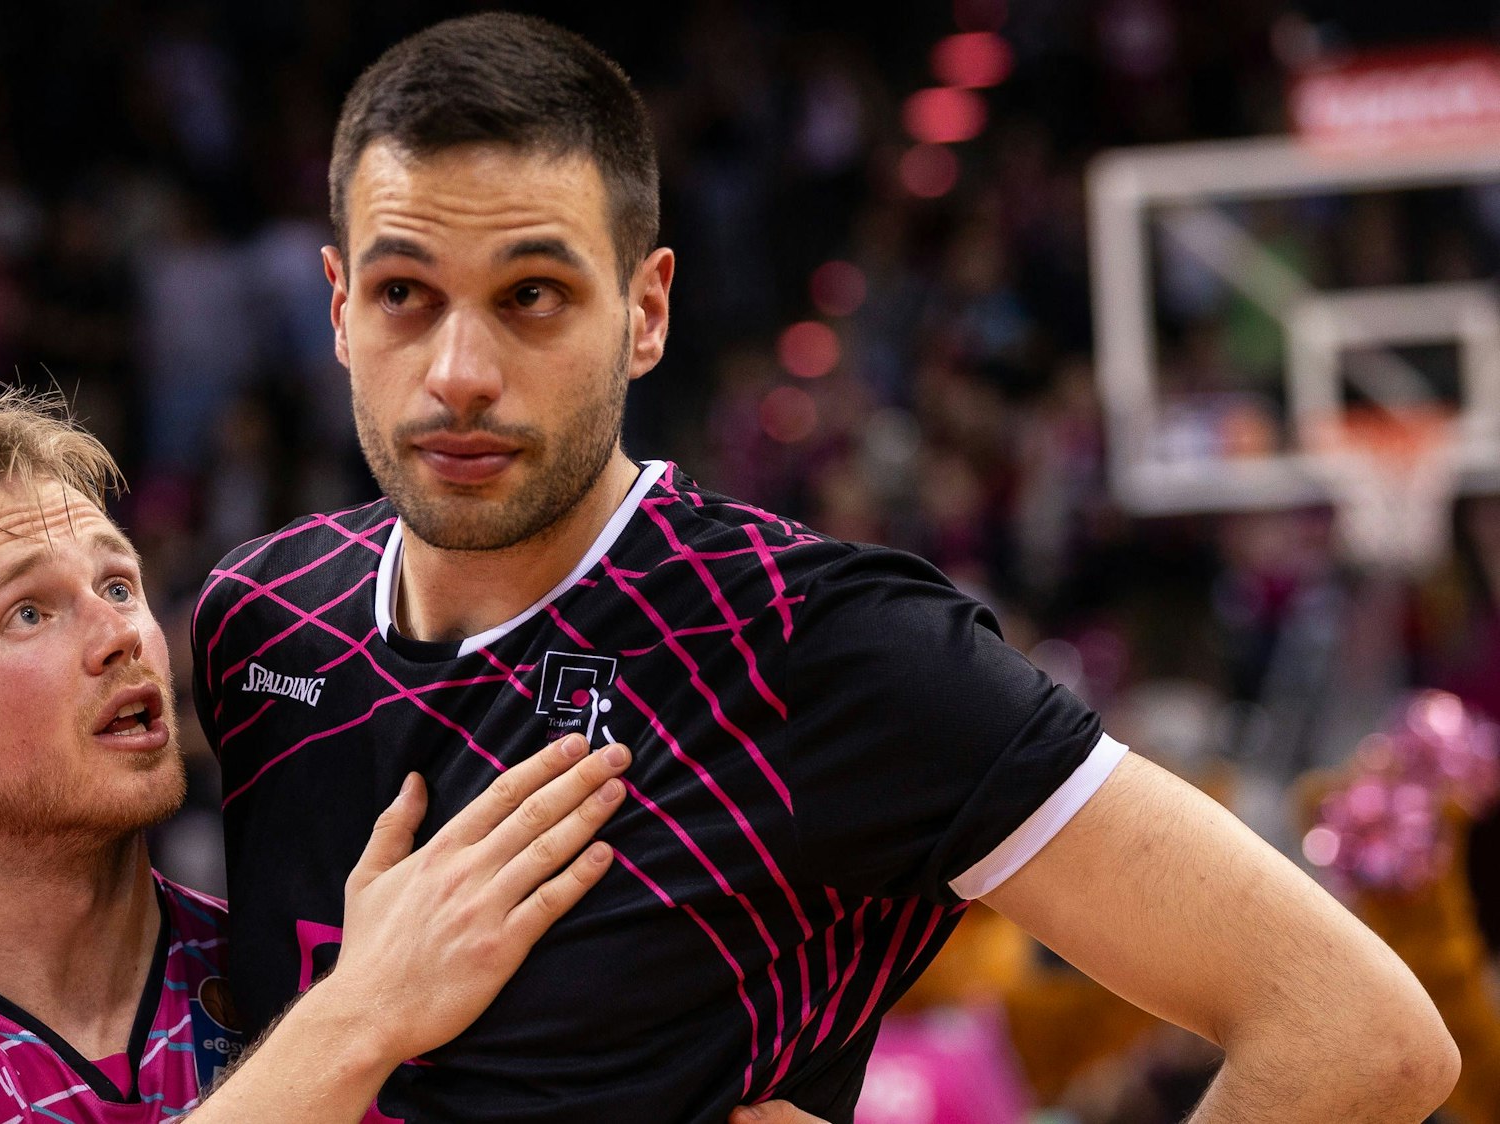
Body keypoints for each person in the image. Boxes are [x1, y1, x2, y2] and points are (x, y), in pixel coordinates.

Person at [190, 13, 1459, 1123]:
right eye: (407, 291)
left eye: (532, 294)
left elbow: (1356, 1032)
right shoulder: (258, 624)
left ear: (646, 312)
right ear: (340, 305)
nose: (459, 370)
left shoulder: (824, 642)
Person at [0, 395, 637, 1122]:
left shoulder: (287, 959)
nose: (120, 632)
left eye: (117, 583)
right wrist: (358, 1018)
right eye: (29, 609)